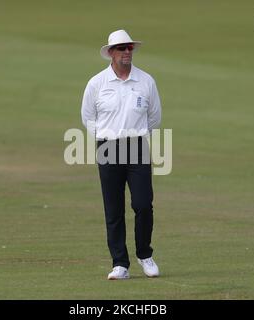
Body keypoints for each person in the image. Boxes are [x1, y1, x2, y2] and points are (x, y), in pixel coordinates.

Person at [81, 30, 162, 280]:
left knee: (142, 204)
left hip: (137, 146)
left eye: (129, 48)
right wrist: (106, 137)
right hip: (108, 148)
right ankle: (120, 264)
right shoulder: (97, 83)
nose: (127, 52)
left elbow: (155, 117)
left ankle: (144, 254)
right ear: (111, 53)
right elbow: (88, 117)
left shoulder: (145, 81)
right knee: (113, 209)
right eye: (122, 48)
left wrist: (133, 136)